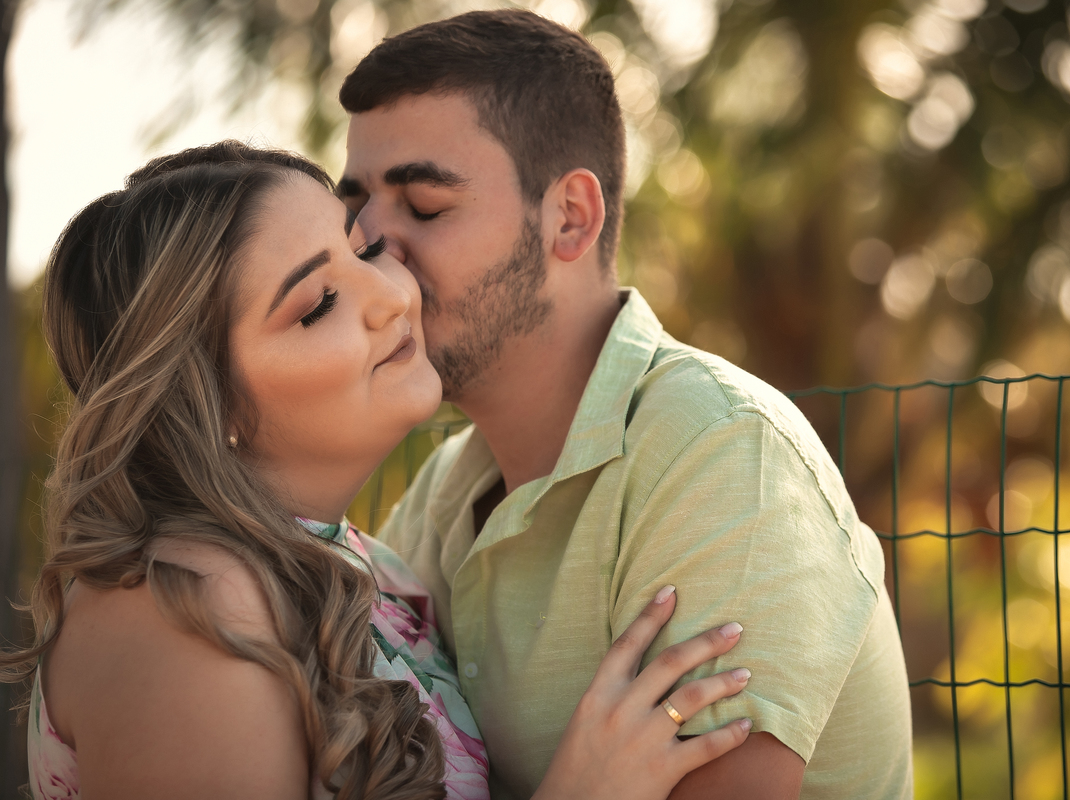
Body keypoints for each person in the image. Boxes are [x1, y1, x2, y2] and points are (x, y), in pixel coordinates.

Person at [0, 141, 757, 799]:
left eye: (361, 251)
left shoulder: (361, 567)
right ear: (202, 404)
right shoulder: (185, 611)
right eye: (318, 302)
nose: (393, 294)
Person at [340, 10, 913, 799]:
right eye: (358, 211)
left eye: (425, 206)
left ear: (569, 217)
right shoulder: (447, 491)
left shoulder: (720, 456)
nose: (369, 248)